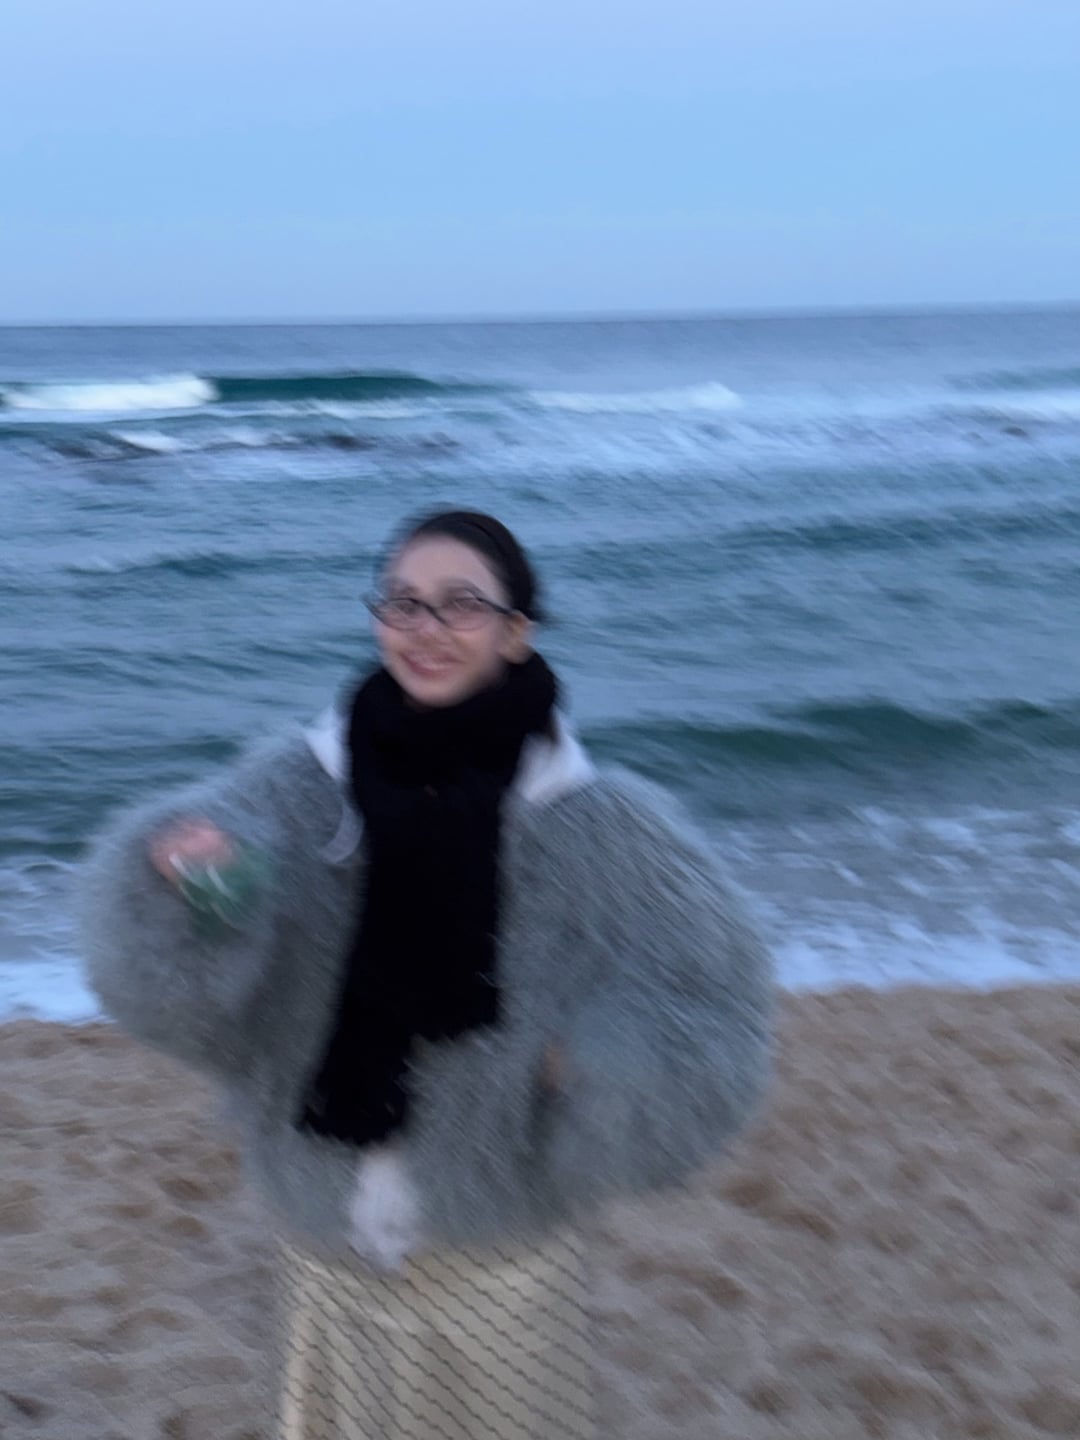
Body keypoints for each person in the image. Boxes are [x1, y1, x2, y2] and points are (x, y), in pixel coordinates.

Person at [78, 509, 773, 1440]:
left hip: (495, 1256)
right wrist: (194, 880)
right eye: (403, 602)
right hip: (328, 1243)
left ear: (516, 632)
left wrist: (591, 1063)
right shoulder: (302, 783)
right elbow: (188, 955)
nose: (425, 628)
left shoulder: (599, 821)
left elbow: (712, 1003)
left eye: (461, 605)